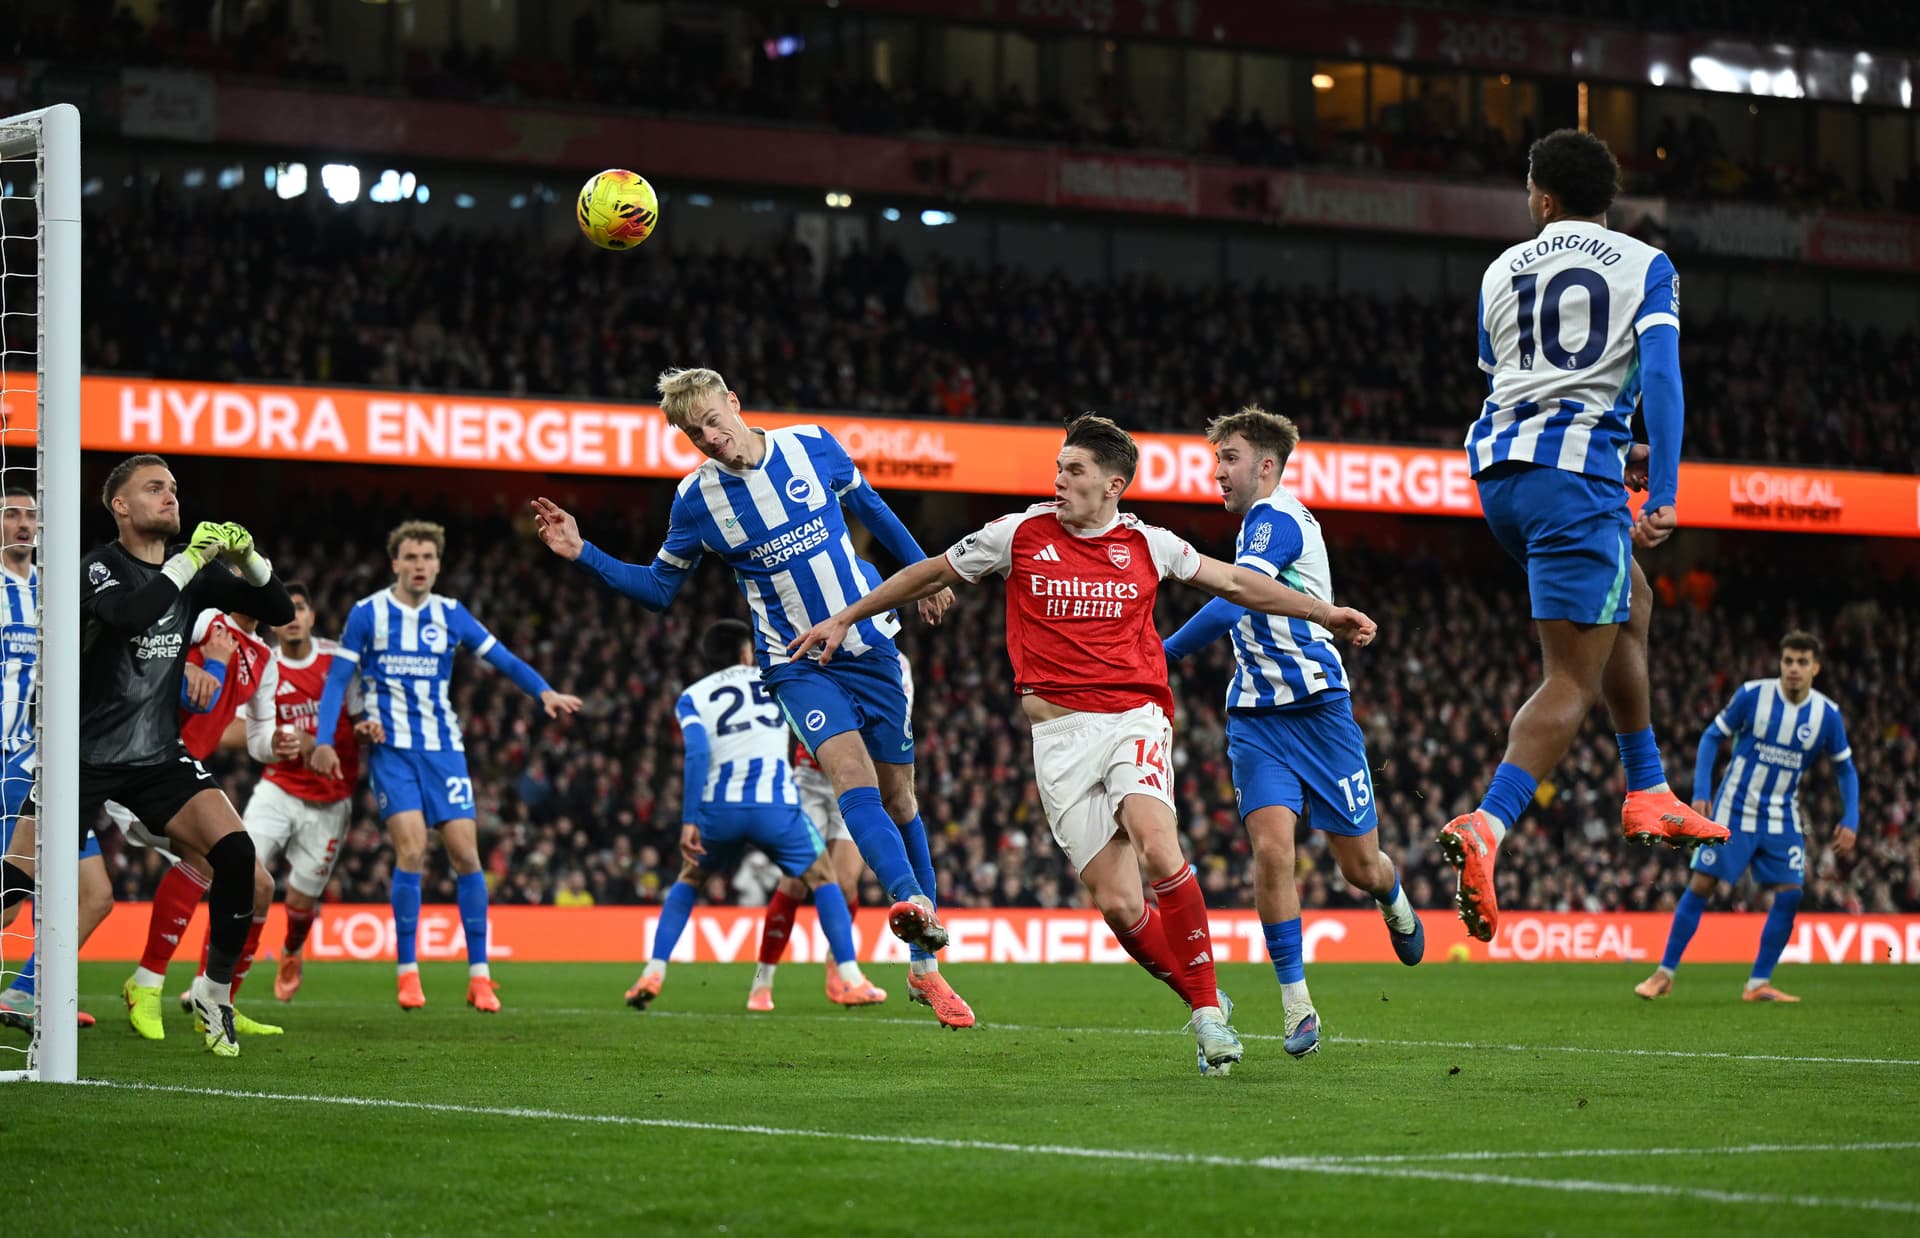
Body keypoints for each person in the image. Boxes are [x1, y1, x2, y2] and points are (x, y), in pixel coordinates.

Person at [790, 414, 1378, 1075]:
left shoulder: (1149, 544)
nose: (1059, 480)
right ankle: (1202, 998)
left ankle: (1209, 1015)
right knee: (1120, 904)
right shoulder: (1017, 534)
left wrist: (1324, 612)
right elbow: (929, 573)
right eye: (1058, 468)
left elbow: (1238, 583)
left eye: (1074, 471)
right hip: (1059, 741)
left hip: (1134, 717)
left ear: (1113, 484)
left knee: (1157, 842)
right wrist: (845, 616)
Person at [530, 366, 972, 1028]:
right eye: (692, 434)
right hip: (796, 663)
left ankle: (924, 972)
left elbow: (873, 509)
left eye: (712, 421)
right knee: (853, 779)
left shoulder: (811, 445)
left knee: (902, 796)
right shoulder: (695, 502)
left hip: (869, 645)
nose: (708, 439)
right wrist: (584, 552)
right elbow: (658, 588)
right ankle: (910, 903)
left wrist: (927, 573)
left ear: (734, 404)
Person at [1440, 128, 1727, 943]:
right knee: (1571, 676)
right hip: (1575, 488)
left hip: (1502, 479)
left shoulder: (1500, 269)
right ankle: (1489, 824)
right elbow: (1663, 378)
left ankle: (1649, 789)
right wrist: (1663, 491)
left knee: (1630, 598)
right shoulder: (1646, 265)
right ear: (1611, 200)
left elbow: (1516, 383)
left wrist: (1616, 450)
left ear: (1542, 199)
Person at [1162, 407, 1424, 1058]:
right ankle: (1296, 1004)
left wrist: (1164, 653)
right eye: (1216, 458)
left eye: (1230, 458)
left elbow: (1237, 595)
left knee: (1358, 866)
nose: (1216, 471)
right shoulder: (1256, 528)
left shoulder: (1280, 520)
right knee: (1274, 852)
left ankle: (1392, 897)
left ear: (1267, 466)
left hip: (1321, 711)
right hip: (1256, 718)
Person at [308, 520, 581, 1013]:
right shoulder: (367, 614)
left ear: (438, 565)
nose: (420, 566)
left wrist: (544, 691)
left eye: (428, 559)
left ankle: (480, 977)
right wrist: (325, 739)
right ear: (395, 563)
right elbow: (336, 682)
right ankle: (408, 972)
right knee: (412, 851)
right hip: (392, 752)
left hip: (443, 750)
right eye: (411, 558)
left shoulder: (451, 615)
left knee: (466, 857)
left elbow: (503, 659)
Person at [79, 454, 293, 1057]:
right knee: (21, 878)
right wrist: (192, 559)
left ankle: (214, 995)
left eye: (173, 488)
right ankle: (36, 989)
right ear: (120, 506)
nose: (170, 496)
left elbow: (279, 610)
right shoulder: (99, 568)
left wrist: (248, 558)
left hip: (154, 757)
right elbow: (127, 615)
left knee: (236, 853)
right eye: (154, 488)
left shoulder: (194, 579)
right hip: (82, 756)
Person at [625, 619, 877, 1013]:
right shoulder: (776, 681)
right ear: (747, 653)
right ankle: (850, 977)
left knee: (689, 880)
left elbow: (696, 756)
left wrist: (690, 819)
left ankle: (653, 971)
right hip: (775, 808)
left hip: (718, 811)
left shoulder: (692, 697)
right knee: (824, 878)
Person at [1636, 632, 1857, 1003]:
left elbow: (1846, 769)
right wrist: (1702, 792)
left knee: (1791, 894)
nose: (1793, 669)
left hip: (1781, 816)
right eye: (1788, 661)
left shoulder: (1827, 715)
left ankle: (1758, 983)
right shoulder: (1753, 695)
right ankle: (1664, 973)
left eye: (1802, 662)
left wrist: (1850, 818)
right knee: (1702, 885)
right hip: (1733, 810)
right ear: (1780, 663)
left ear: (1816, 668)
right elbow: (1710, 737)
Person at [117, 607, 286, 1040]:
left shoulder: (265, 658)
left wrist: (278, 743)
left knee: (260, 887)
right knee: (209, 860)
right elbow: (150, 652)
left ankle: (216, 997)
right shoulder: (205, 617)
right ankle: (148, 982)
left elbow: (258, 739)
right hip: (146, 760)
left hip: (186, 773)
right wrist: (199, 663)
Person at [0, 486, 109, 1032]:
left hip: (48, 763)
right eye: (11, 515)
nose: (23, 524)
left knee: (94, 894)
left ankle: (22, 993)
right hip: (6, 763)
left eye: (30, 516)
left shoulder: (58, 588)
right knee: (14, 902)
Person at [244, 583, 379, 1003]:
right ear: (272, 622)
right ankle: (208, 979)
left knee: (300, 904)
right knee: (241, 873)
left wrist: (364, 730)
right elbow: (237, 732)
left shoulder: (338, 661)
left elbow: (360, 716)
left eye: (299, 608)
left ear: (311, 616)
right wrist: (280, 738)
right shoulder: (263, 663)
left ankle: (291, 949)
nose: (292, 617)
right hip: (278, 787)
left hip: (330, 799)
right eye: (284, 611)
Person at [750, 660, 905, 1009]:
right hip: (811, 782)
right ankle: (762, 980)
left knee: (846, 881)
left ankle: (840, 973)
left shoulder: (896, 667)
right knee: (795, 881)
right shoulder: (821, 655)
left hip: (855, 781)